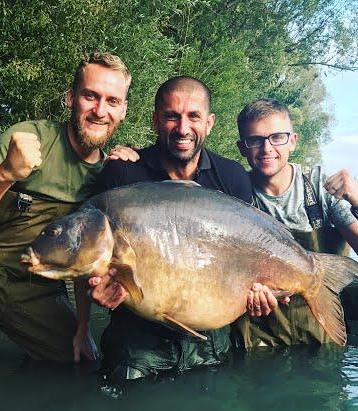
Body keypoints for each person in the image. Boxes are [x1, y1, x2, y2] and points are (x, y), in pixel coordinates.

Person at [0, 52, 132, 396]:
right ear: (70, 98)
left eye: (112, 101)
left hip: (36, 290)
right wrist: (5, 174)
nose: (100, 110)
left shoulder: (109, 175)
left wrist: (81, 327)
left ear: (122, 111)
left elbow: (83, 259)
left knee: (83, 366)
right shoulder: (27, 137)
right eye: (90, 96)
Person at [84, 76, 273, 382]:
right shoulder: (123, 172)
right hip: (137, 341)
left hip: (210, 339)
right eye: (172, 116)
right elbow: (91, 260)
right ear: (156, 120)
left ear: (209, 123)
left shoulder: (232, 177)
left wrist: (259, 296)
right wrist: (98, 289)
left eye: (193, 117)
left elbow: (252, 255)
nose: (183, 128)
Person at [235, 98, 358, 347]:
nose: (267, 148)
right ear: (242, 147)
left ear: (293, 141)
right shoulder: (236, 194)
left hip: (319, 334)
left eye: (277, 137)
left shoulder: (320, 187)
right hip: (259, 341)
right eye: (255, 140)